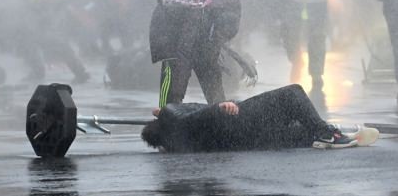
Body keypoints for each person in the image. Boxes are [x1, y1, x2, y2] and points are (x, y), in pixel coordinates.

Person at [141, 84, 379, 152]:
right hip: (237, 121)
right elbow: (196, 117)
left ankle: (316, 134)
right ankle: (326, 132)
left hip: (242, 140)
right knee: (291, 94)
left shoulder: (175, 136)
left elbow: (194, 120)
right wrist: (219, 108)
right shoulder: (174, 115)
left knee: (289, 135)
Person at [150, 0, 241, 106]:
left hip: (193, 34)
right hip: (169, 35)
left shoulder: (221, 17)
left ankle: (217, 107)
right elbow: (183, 56)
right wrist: (174, 102)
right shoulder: (197, 15)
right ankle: (166, 110)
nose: (221, 37)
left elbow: (210, 63)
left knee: (207, 61)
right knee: (174, 67)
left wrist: (220, 103)